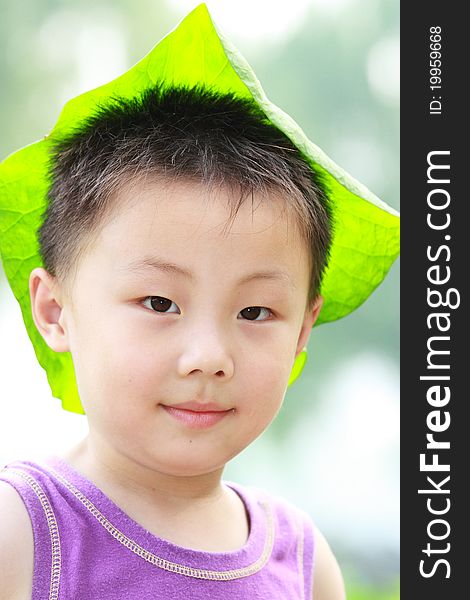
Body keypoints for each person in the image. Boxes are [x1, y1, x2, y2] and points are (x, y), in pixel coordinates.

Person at [0, 5, 399, 599]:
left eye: (255, 312)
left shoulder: (303, 562)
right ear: (57, 311)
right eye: (159, 302)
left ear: (302, 330)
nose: (209, 357)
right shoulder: (27, 532)